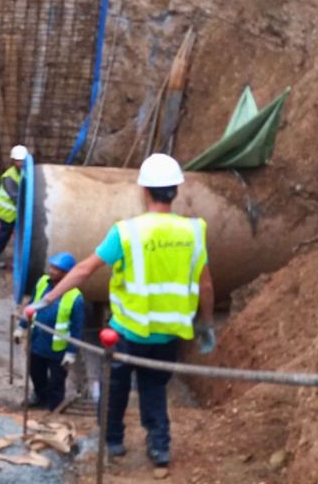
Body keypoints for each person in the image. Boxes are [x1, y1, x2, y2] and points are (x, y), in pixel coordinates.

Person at [24, 153, 216, 468]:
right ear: (176, 191)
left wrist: (46, 299)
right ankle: (159, 446)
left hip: (127, 333)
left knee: (115, 390)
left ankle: (112, 441)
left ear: (144, 191)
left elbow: (84, 269)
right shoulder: (193, 232)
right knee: (154, 388)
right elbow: (206, 286)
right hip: (168, 336)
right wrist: (206, 324)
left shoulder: (127, 232)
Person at [16, 252, 84, 411]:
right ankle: (40, 396)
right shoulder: (42, 282)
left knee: (56, 381)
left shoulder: (75, 298)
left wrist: (71, 353)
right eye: (52, 267)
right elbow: (32, 305)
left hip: (57, 350)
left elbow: (77, 328)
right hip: (37, 341)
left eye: (57, 269)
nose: (52, 271)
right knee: (36, 373)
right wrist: (21, 327)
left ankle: (54, 408)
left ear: (67, 274)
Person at [0, 144, 28, 269]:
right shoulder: (9, 177)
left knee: (9, 236)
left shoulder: (22, 173)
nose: (22, 163)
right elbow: (16, 196)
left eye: (23, 160)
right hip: (7, 214)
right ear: (13, 161)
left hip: (14, 213)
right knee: (2, 237)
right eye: (19, 161)